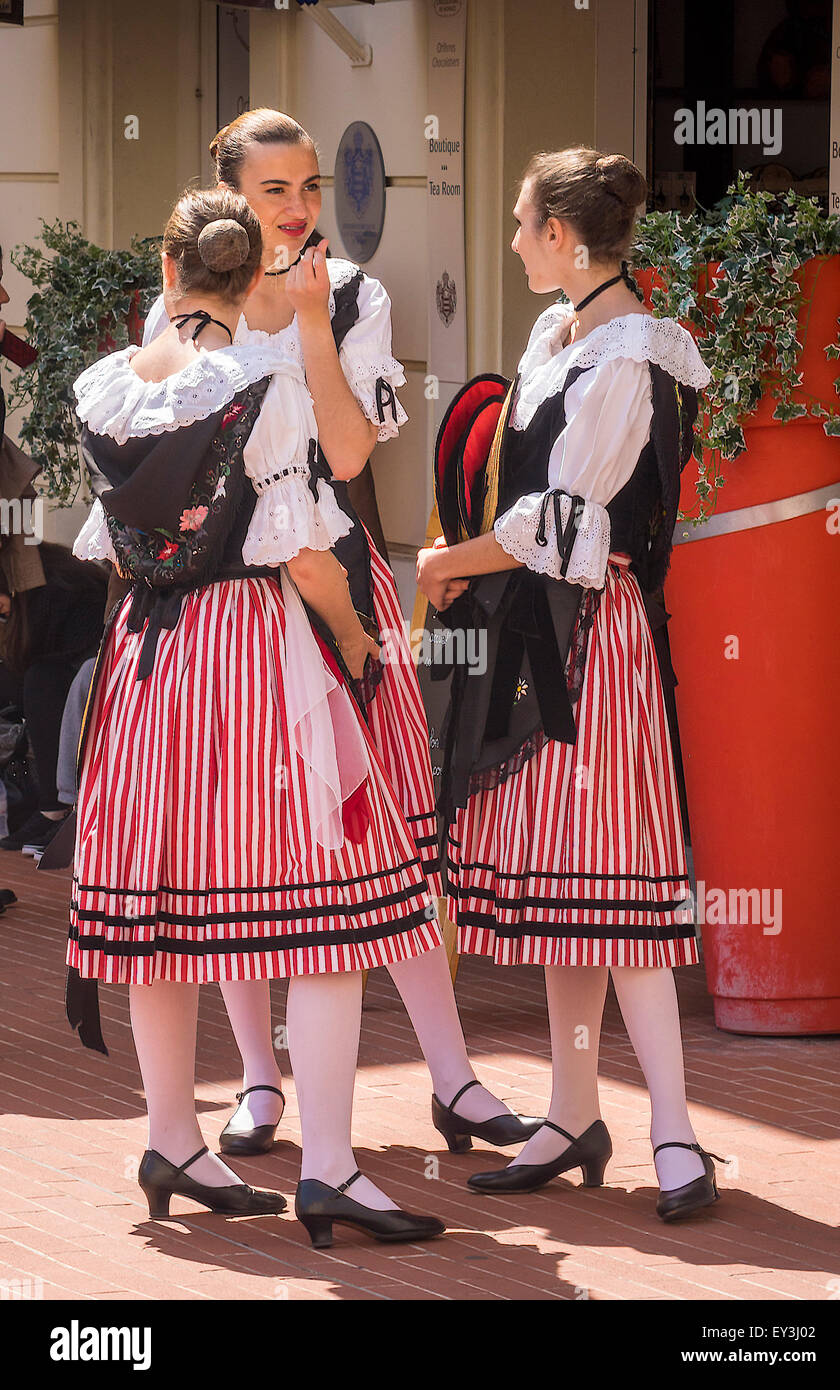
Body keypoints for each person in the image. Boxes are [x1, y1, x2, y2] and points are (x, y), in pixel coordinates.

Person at [140, 109, 539, 1158]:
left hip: (334, 575)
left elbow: (351, 449)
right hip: (229, 594)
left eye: (309, 187)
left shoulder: (355, 294)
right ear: (228, 191)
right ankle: (260, 1082)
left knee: (385, 828)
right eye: (276, 190)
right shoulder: (183, 306)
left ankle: (449, 1075)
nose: (300, 209)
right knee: (241, 840)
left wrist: (310, 324)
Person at [68, 185, 445, 1246]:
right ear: (251, 281)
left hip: (148, 662)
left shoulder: (102, 388)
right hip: (252, 653)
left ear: (165, 270)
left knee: (165, 920)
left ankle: (170, 1138)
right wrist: (362, 643)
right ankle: (326, 1166)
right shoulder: (255, 386)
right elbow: (304, 549)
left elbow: (114, 550)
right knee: (329, 919)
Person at [417, 147, 722, 1223]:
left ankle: (675, 1129)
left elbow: (560, 525)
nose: (509, 241)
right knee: (567, 893)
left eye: (519, 223)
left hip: (594, 634)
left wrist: (449, 561)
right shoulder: (567, 336)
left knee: (619, 892)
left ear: (563, 238)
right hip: (549, 630)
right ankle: (571, 1110)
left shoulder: (627, 357)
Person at [0, 542, 107, 855]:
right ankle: (44, 806)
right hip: (71, 663)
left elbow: (48, 656)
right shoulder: (39, 584)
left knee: (39, 682)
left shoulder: (56, 591)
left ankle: (53, 808)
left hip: (90, 666)